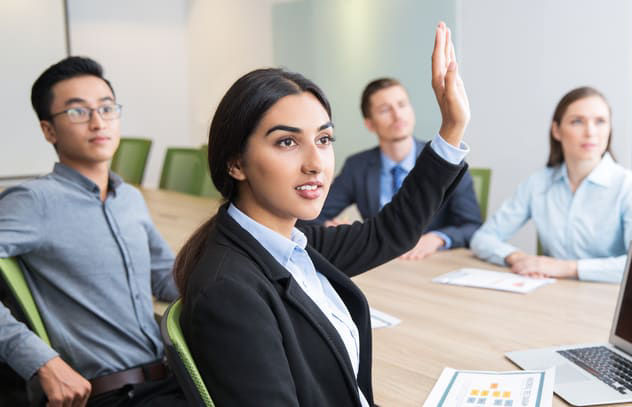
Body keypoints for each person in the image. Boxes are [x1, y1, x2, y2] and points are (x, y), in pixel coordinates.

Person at [175, 22, 469, 406]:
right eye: (287, 142)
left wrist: (451, 128)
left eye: (324, 139)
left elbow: (389, 233)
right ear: (236, 163)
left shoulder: (293, 245)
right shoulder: (230, 289)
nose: (316, 163)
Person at [0, 56, 185, 406]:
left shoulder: (129, 198)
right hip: (112, 394)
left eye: (107, 108)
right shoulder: (33, 202)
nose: (98, 122)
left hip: (170, 377)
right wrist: (39, 360)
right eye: (77, 112)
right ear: (48, 130)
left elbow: (166, 277)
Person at [470, 86, 632, 283]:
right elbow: (483, 238)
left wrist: (567, 268)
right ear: (557, 130)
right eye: (577, 121)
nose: (590, 132)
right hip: (553, 294)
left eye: (600, 122)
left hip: (608, 300)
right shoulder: (538, 183)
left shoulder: (631, 187)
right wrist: (517, 258)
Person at [307, 77, 482, 260]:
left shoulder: (445, 161)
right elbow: (313, 214)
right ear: (370, 124)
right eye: (384, 110)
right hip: (382, 266)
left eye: (402, 105)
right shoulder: (357, 166)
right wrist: (327, 228)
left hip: (431, 263)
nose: (397, 115)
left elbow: (472, 226)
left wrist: (438, 238)